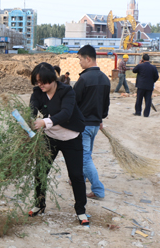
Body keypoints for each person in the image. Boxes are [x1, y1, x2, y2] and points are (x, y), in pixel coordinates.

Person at [29, 62, 89, 226]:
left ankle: (81, 210)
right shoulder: (38, 92)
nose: (40, 85)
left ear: (52, 79)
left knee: (76, 175)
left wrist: (44, 122)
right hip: (50, 138)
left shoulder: (67, 91)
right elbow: (32, 110)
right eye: (37, 82)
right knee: (40, 172)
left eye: (43, 82)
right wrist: (28, 121)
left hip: (71, 137)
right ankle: (39, 204)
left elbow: (66, 113)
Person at [73, 45, 110, 200]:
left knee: (84, 158)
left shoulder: (84, 79)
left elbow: (73, 103)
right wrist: (100, 118)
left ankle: (98, 189)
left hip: (84, 126)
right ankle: (79, 178)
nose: (79, 62)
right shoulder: (105, 79)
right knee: (86, 155)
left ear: (88, 59)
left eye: (80, 59)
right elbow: (105, 105)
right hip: (95, 125)